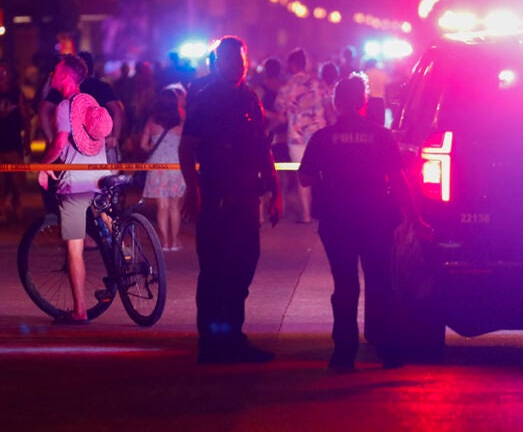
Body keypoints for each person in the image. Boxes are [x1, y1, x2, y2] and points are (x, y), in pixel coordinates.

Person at [298, 74, 420, 370]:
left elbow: (304, 178)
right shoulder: (381, 136)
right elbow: (399, 181)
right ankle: (390, 351)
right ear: (364, 102)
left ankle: (343, 354)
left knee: (345, 285)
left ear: (337, 103)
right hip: (376, 218)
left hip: (337, 221)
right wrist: (414, 218)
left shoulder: (323, 137)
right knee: (381, 284)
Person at [179, 35, 283, 364]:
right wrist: (192, 188)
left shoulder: (250, 98)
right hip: (216, 193)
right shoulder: (206, 98)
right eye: (231, 61)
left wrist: (276, 190)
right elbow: (187, 148)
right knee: (214, 271)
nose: (238, 66)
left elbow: (262, 147)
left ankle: (233, 338)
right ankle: (212, 343)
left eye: (241, 61)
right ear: (218, 63)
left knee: (243, 265)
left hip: (245, 195)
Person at [40, 54, 112, 324]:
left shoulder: (64, 107)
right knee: (110, 226)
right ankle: (126, 261)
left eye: (56, 70)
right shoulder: (92, 103)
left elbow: (59, 144)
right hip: (100, 179)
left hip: (76, 185)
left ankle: (79, 310)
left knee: (74, 248)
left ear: (67, 75)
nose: (52, 74)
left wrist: (42, 165)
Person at [273, 48, 327, 224]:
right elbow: (329, 105)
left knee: (302, 175)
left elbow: (280, 113)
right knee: (320, 173)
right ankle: (322, 209)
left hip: (296, 136)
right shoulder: (318, 83)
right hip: (319, 134)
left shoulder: (287, 88)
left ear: (290, 65)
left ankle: (306, 214)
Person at [0, 60, 32, 224]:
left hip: (13, 144)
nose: (1, 77)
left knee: (17, 179)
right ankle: (1, 210)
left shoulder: (16, 94)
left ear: (10, 76)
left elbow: (26, 118)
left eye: (4, 73)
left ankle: (17, 203)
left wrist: (27, 140)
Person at [140, 87, 186, 251]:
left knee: (162, 207)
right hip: (176, 166)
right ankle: (174, 241)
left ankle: (164, 242)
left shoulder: (152, 122)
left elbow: (143, 145)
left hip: (157, 166)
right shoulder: (181, 121)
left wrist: (154, 151)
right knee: (175, 207)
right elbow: (187, 146)